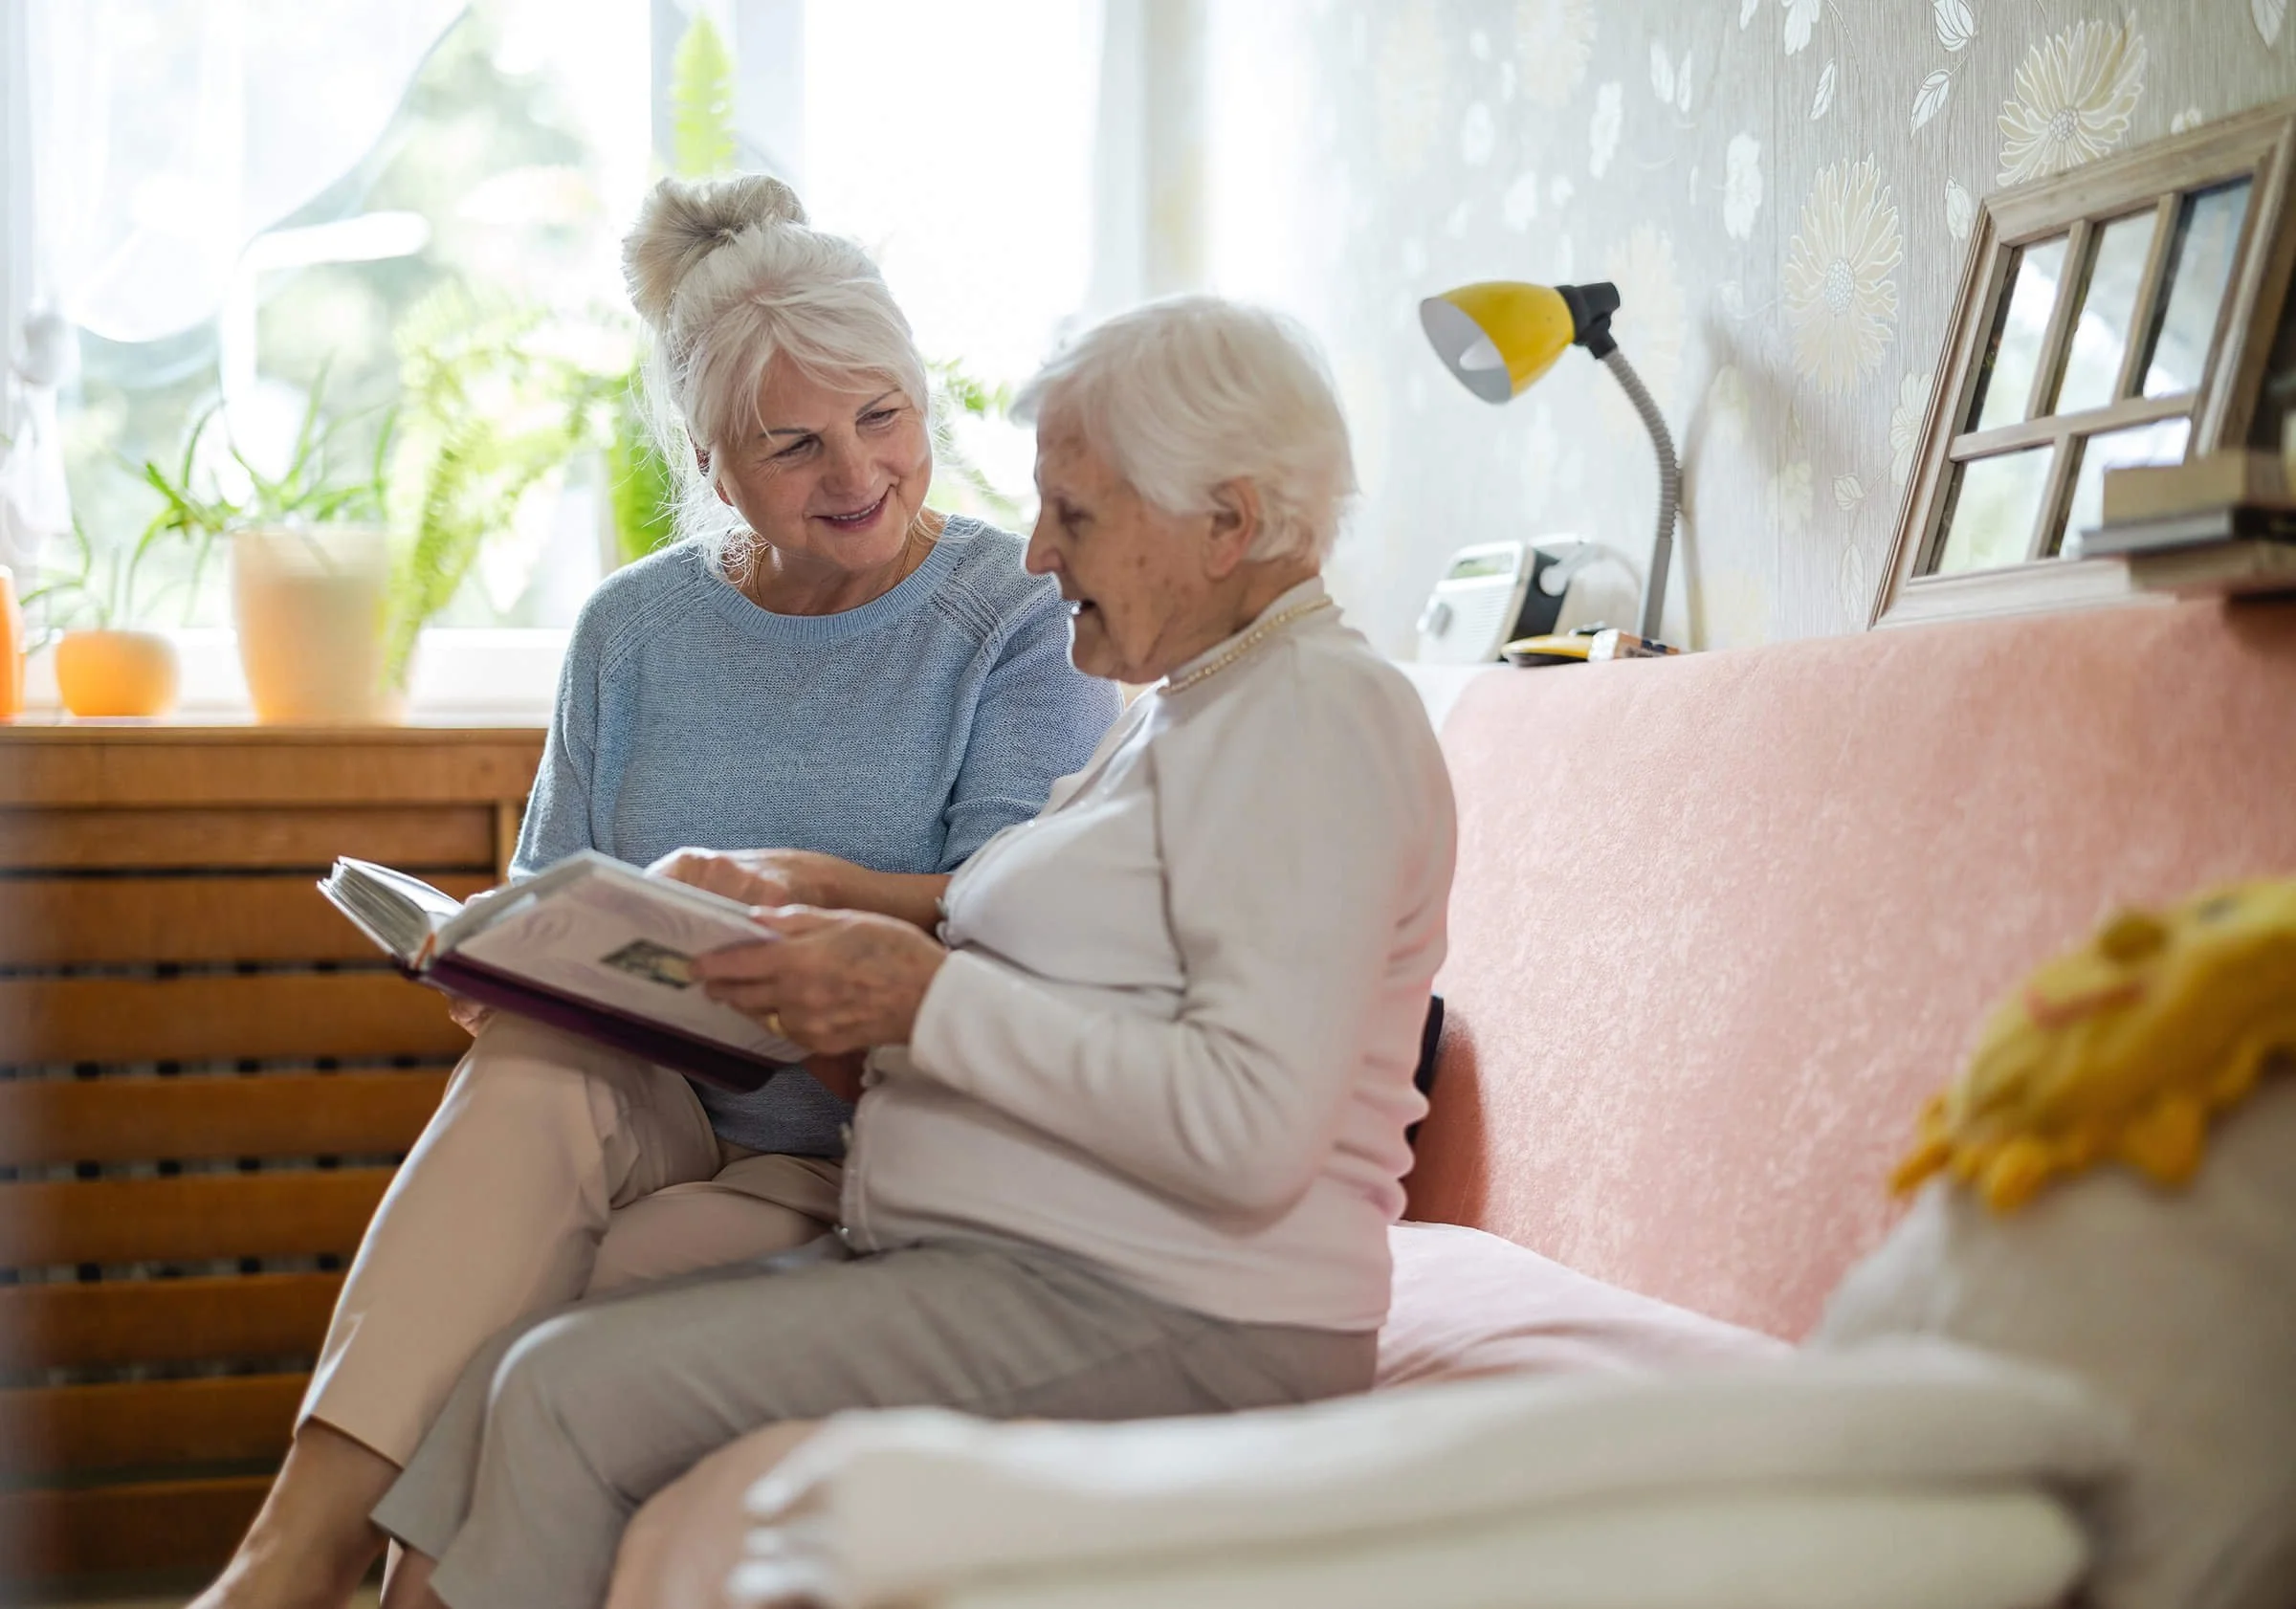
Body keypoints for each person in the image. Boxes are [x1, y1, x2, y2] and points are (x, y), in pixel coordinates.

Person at [369, 294, 1459, 1609]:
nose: (1040, 555)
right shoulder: (1201, 707)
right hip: (1037, 1267)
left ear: (1226, 522)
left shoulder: (1316, 718)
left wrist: (918, 997)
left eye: (1078, 516)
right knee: (534, 1351)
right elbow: (1089, 961)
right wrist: (827, 903)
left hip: (1179, 1310)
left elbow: (1251, 1125)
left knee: (559, 1392)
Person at [188, 174, 1118, 1609]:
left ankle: (383, 1589)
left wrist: (801, 896)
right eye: (795, 442)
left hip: (864, 1143)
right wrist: (493, 962)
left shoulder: (1009, 613)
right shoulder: (632, 629)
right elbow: (548, 902)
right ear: (709, 453)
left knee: (578, 1279)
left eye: (885, 416)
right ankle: (283, 1556)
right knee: (531, 1067)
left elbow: (1005, 910)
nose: (856, 470)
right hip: (656, 1103)